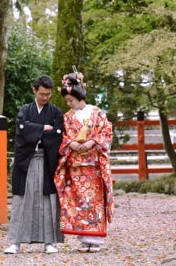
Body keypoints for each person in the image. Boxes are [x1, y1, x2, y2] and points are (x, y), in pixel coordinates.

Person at [54, 71, 115, 252]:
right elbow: (62, 136)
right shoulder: (66, 117)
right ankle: (84, 239)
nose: (69, 103)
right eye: (67, 101)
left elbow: (106, 133)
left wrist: (91, 142)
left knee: (94, 201)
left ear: (79, 96)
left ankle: (95, 240)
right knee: (79, 201)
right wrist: (71, 143)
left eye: (71, 99)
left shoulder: (98, 114)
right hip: (75, 166)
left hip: (93, 166)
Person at [4, 75, 64, 254]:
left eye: (48, 94)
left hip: (47, 160)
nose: (45, 98)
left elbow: (57, 134)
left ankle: (49, 242)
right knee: (22, 199)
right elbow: (21, 130)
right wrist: (43, 128)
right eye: (42, 94)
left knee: (48, 200)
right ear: (34, 91)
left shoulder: (55, 112)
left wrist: (35, 129)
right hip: (27, 160)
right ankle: (15, 242)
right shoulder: (24, 110)